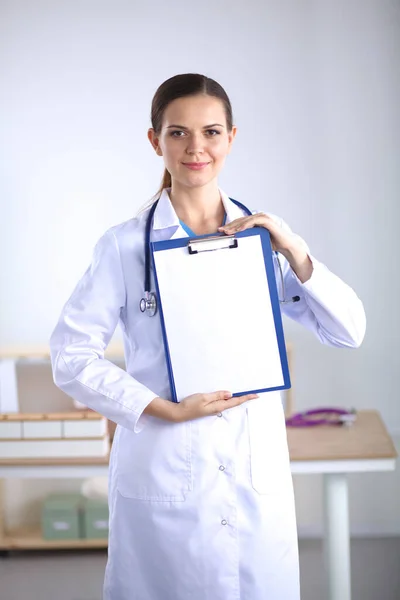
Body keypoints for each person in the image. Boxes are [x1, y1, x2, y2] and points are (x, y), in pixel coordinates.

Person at [49, 73, 366, 600]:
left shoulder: (263, 243)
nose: (196, 148)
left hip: (251, 478)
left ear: (231, 138)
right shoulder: (125, 247)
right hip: (165, 468)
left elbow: (348, 330)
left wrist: (293, 247)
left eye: (211, 132)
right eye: (178, 133)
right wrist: (161, 408)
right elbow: (70, 356)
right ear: (155, 141)